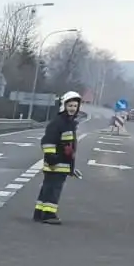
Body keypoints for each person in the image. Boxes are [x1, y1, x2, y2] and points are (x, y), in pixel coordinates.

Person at [35, 90, 85, 225]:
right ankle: (49, 214)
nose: (72, 108)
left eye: (75, 106)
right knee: (53, 189)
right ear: (64, 105)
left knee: (47, 188)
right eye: (70, 105)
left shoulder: (68, 123)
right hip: (56, 164)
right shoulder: (59, 122)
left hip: (61, 164)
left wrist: (71, 168)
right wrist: (51, 157)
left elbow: (69, 147)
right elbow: (48, 141)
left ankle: (39, 212)